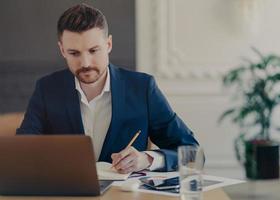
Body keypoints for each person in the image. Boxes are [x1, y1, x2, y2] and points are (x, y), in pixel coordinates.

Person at [16, 3, 199, 173]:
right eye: (74, 53)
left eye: (93, 50)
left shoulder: (142, 88)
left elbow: (192, 151)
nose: (85, 63)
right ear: (62, 50)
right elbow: (23, 148)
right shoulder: (46, 88)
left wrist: (147, 159)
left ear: (108, 44)